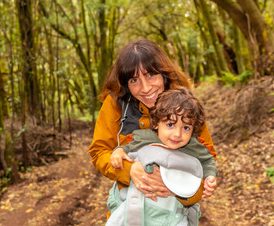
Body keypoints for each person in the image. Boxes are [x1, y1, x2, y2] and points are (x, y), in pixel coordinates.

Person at [88, 39, 217, 217]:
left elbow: (206, 156)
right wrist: (130, 170)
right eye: (135, 80)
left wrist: (182, 191)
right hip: (130, 211)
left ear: (164, 74)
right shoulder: (116, 104)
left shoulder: (185, 106)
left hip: (175, 212)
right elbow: (99, 151)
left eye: (151, 75)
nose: (146, 88)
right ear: (126, 84)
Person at [106, 88, 217, 225]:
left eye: (186, 128)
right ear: (156, 123)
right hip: (137, 206)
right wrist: (118, 151)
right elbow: (127, 148)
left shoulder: (194, 146)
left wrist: (210, 176)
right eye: (170, 125)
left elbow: (207, 160)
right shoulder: (145, 137)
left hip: (172, 215)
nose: (177, 134)